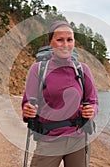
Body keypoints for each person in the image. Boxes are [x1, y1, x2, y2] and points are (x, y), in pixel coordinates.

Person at [22, 20, 98, 167]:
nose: (65, 44)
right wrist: (27, 110)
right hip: (49, 139)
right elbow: (27, 102)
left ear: (74, 42)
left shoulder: (83, 70)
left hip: (78, 138)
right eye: (60, 40)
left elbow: (93, 101)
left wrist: (91, 110)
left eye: (69, 40)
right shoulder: (38, 70)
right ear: (51, 42)